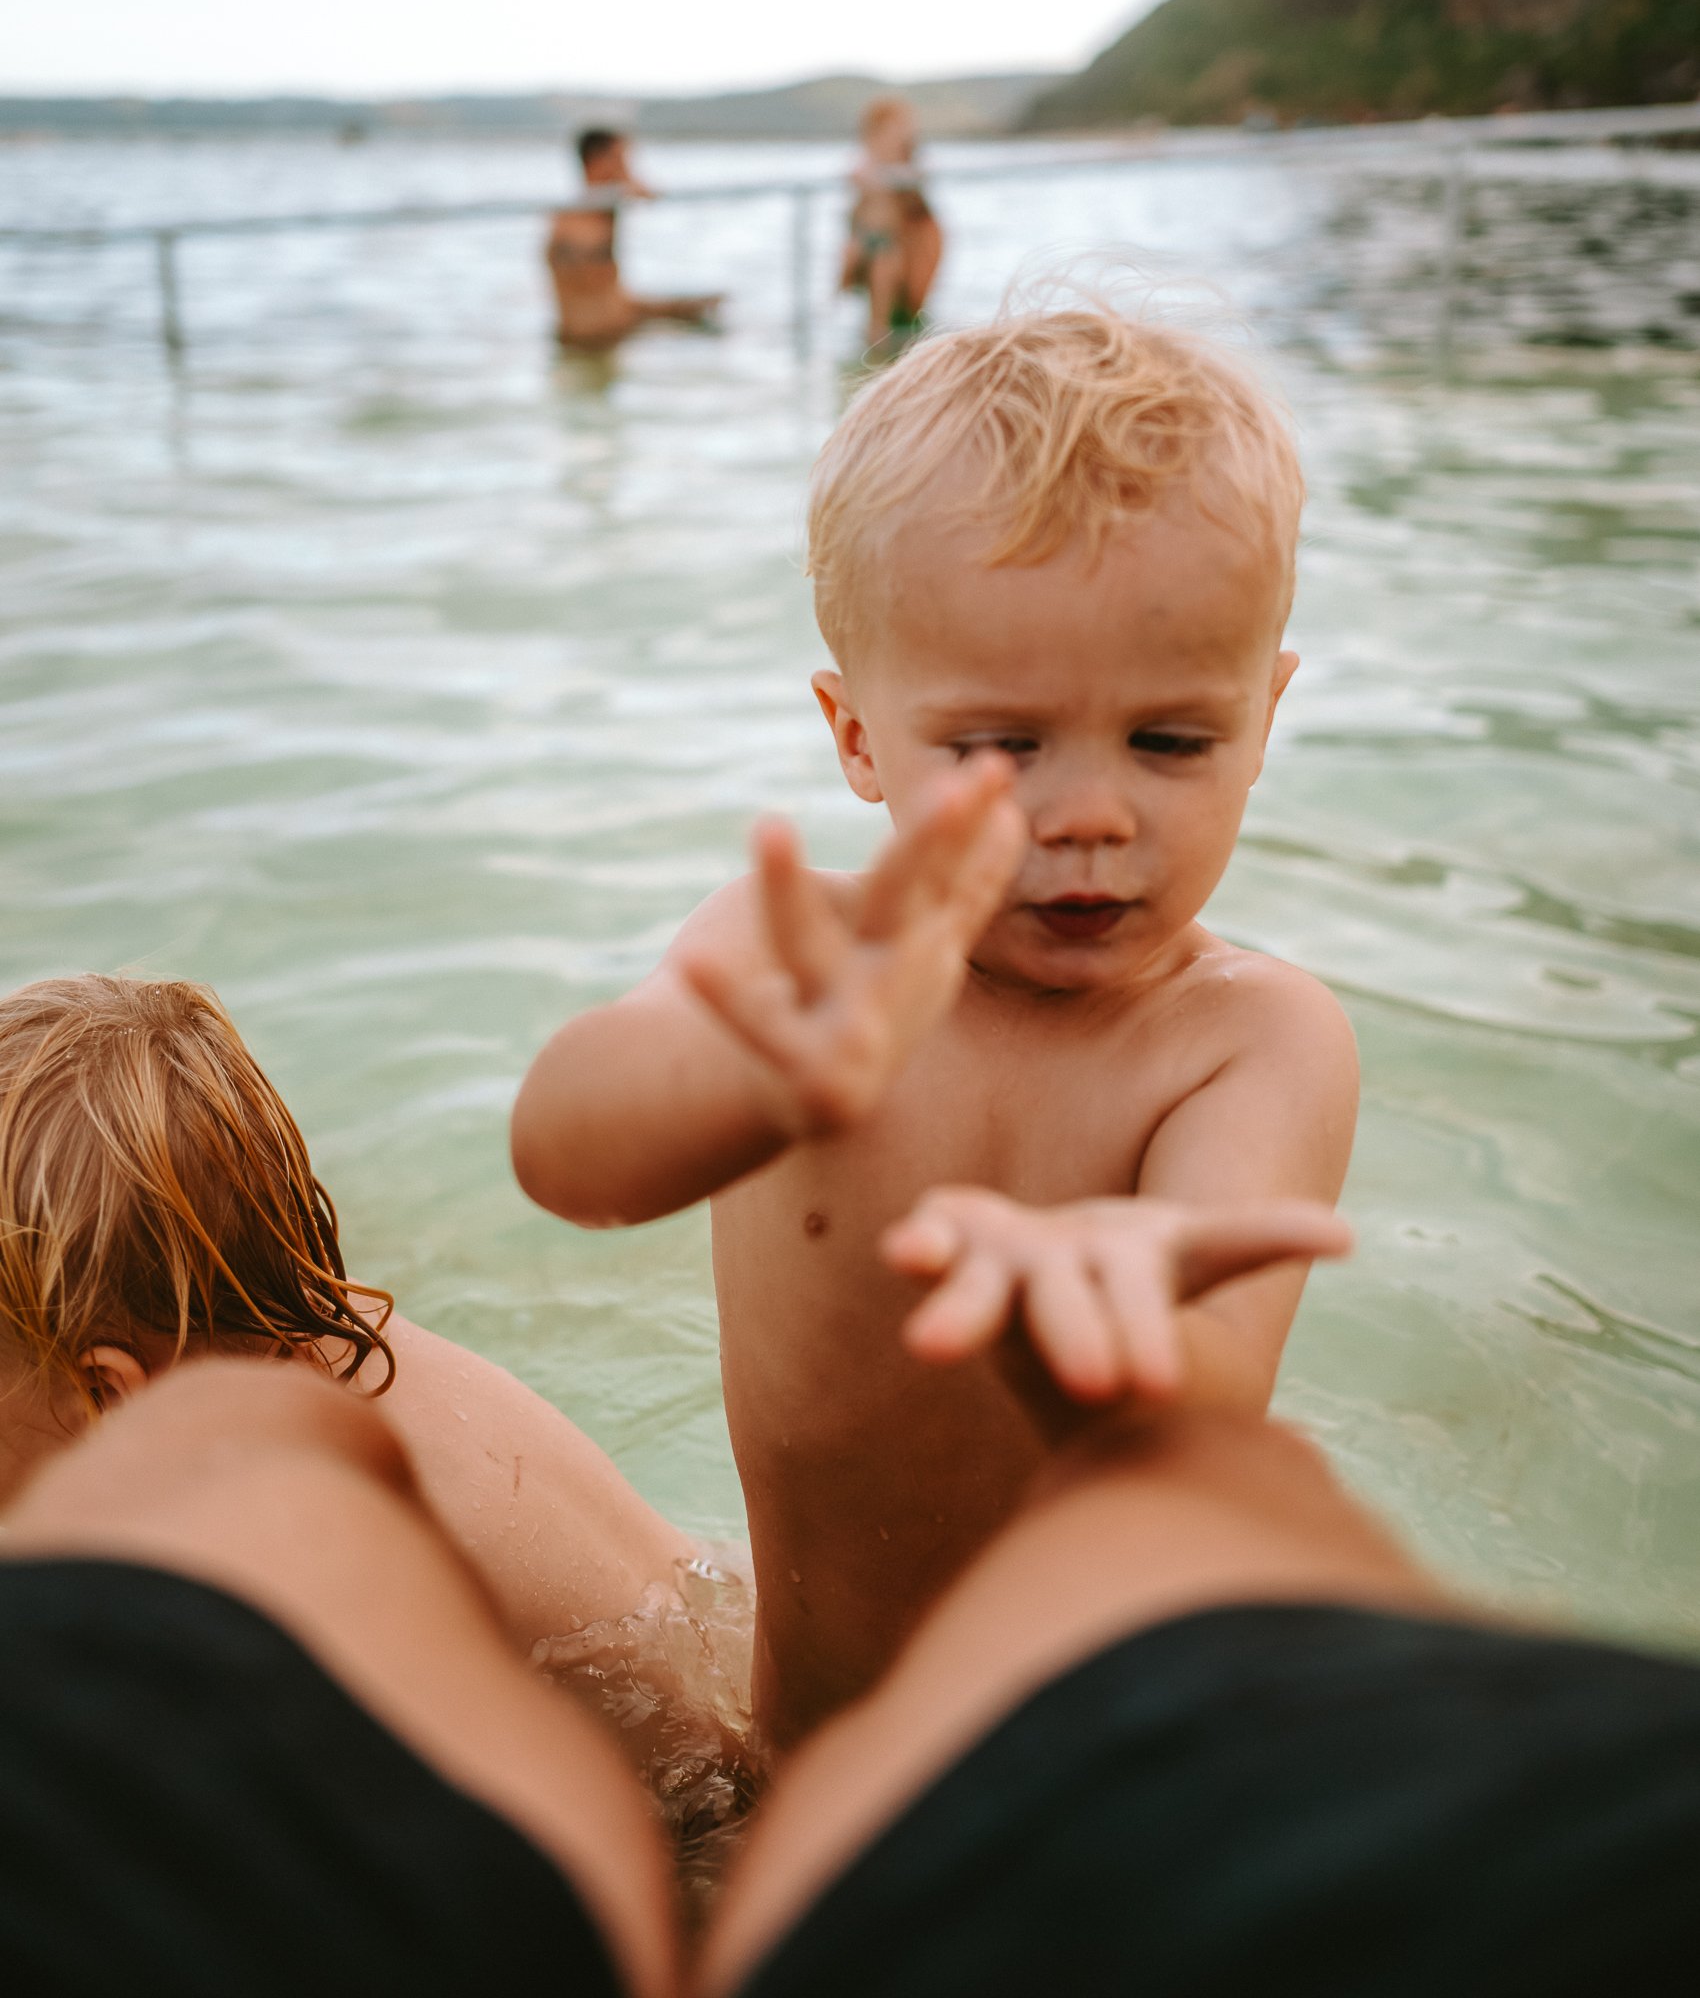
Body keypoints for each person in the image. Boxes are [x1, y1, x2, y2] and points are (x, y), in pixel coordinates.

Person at [5, 1189, 1699, 1996]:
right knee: (1196, 1515)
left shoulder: (217, 1433)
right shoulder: (357, 1367)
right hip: (1489, 1873)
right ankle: (1161, 1479)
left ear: (99, 1375)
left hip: (690, 1764)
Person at [511, 308, 1361, 1745]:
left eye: (1171, 740)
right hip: (798, 1753)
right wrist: (743, 1075)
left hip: (1070, 1800)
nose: (1089, 813)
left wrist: (1096, 1327)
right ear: (857, 739)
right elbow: (566, 1161)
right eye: (998, 746)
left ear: (1265, 717)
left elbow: (1206, 1413)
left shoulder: (1249, 1045)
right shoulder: (795, 969)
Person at [0, 973, 746, 1770]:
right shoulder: (323, 1333)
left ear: (105, 1391)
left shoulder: (296, 1548)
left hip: (701, 1818)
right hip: (722, 1630)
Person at [547, 129, 723, 350]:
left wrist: (675, 308)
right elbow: (590, 304)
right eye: (622, 159)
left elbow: (611, 298)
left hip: (613, 337)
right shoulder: (573, 224)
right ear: (599, 162)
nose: (629, 170)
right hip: (591, 347)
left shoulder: (603, 214)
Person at [838, 97, 942, 347]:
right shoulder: (867, 164)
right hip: (867, 236)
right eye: (891, 128)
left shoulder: (908, 166)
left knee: (884, 277)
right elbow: (855, 204)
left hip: (895, 242)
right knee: (855, 272)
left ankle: (877, 340)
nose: (896, 135)